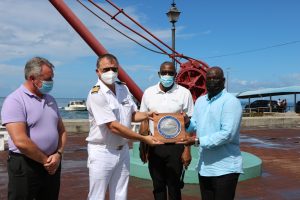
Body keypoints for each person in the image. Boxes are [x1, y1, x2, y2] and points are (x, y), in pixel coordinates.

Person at [86, 53, 161, 200]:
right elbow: (113, 126)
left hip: (123, 151)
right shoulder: (96, 94)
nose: (111, 73)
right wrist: (143, 138)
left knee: (120, 194)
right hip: (102, 151)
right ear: (98, 72)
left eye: (114, 69)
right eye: (106, 69)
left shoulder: (123, 89)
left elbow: (132, 115)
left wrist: (148, 115)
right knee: (97, 196)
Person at [0, 57, 67, 200]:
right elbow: (20, 141)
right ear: (32, 78)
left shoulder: (51, 100)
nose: (51, 82)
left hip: (52, 163)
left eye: (52, 78)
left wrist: (58, 154)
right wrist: (46, 161)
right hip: (25, 165)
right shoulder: (15, 100)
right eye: (48, 79)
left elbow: (61, 130)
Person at [182, 66, 243, 200]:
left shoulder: (230, 102)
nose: (212, 81)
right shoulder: (200, 101)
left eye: (216, 78)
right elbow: (195, 125)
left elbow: (227, 134)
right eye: (209, 78)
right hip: (205, 167)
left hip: (225, 168)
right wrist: (187, 123)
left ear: (223, 80)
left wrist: (198, 141)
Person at [139, 61, 194, 200]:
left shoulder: (184, 93)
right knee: (158, 186)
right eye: (164, 72)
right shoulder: (149, 92)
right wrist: (143, 146)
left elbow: (190, 124)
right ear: (159, 74)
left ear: (175, 75)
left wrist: (187, 150)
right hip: (155, 146)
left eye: (170, 73)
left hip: (176, 147)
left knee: (174, 187)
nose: (167, 75)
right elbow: (144, 120)